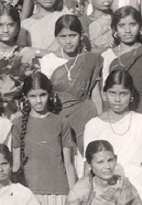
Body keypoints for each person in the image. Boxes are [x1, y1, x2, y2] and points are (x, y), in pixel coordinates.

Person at [83, 70, 142, 205]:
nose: (117, 99)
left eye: (123, 94)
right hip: (104, 194)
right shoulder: (94, 125)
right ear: (105, 94)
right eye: (112, 93)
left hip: (138, 190)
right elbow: (88, 168)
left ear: (131, 95)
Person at [12, 72, 78, 205]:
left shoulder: (61, 121)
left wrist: (73, 197)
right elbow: (16, 166)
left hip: (58, 192)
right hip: (30, 193)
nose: (38, 101)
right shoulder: (17, 124)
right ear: (26, 97)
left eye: (42, 95)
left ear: (50, 94)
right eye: (33, 96)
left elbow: (68, 164)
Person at [38, 14, 103, 142]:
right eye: (63, 36)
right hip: (58, 117)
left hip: (86, 116)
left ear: (81, 36)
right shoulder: (48, 60)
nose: (68, 41)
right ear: (56, 38)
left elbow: (96, 95)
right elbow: (44, 95)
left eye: (73, 36)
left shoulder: (90, 60)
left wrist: (100, 123)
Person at [102, 6, 142, 123]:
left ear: (140, 27)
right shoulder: (107, 56)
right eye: (122, 26)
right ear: (114, 30)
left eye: (132, 24)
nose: (127, 30)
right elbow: (104, 93)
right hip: (116, 111)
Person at [0, 5, 36, 115]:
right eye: (0, 25)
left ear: (18, 27)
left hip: (23, 111)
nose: (5, 30)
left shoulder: (26, 54)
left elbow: (35, 87)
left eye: (10, 25)